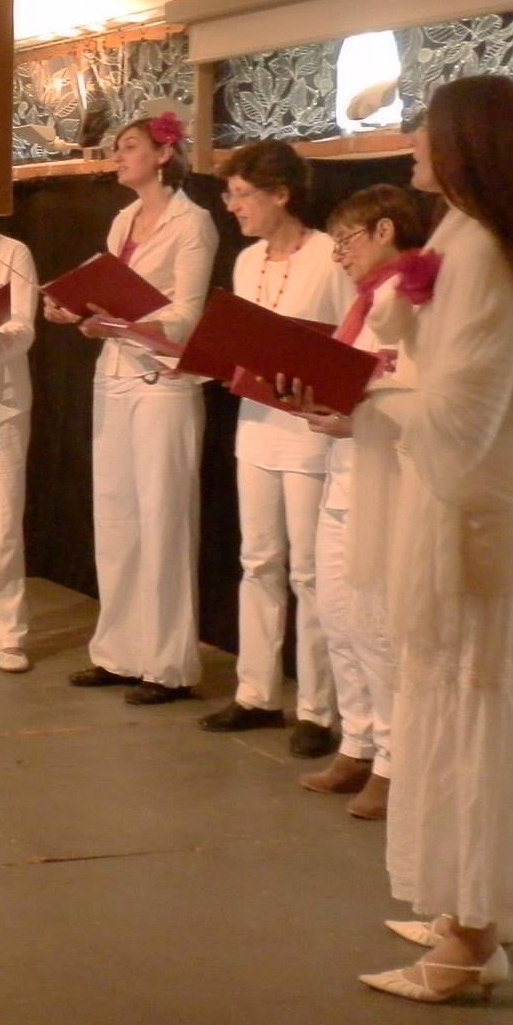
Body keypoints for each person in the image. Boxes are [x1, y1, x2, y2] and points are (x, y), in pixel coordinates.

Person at [354, 75, 513, 1003]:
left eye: (426, 133)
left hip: (484, 516)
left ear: (464, 146)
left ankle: (468, 941)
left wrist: (363, 391)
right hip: (473, 504)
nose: (412, 148)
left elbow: (460, 411)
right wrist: (394, 322)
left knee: (480, 713)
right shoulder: (464, 237)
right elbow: (434, 367)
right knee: (449, 707)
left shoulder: (490, 250)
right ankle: (461, 905)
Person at [46, 112, 218, 703]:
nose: (118, 156)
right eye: (118, 148)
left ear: (162, 155)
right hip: (115, 373)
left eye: (128, 147)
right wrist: (79, 312)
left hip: (163, 381)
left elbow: (189, 312)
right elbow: (109, 292)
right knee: (116, 515)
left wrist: (120, 319)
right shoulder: (122, 221)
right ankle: (118, 651)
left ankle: (168, 664)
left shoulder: (193, 223)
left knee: (164, 520)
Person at [197, 141, 353, 757]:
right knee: (258, 560)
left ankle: (317, 708)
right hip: (257, 424)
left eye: (241, 195)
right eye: (228, 196)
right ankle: (256, 692)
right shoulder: (245, 260)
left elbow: (349, 341)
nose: (232, 207)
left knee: (311, 573)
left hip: (309, 432)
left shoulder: (328, 258)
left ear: (280, 194)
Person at [292, 185, 429, 820]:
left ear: (383, 230)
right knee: (338, 614)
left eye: (345, 242)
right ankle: (358, 740)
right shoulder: (364, 302)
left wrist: (360, 420)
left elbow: (415, 392)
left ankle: (397, 762)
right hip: (345, 467)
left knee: (377, 626)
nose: (338, 256)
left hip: (387, 475)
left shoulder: (412, 297)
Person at [0, 224, 38, 673]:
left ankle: (7, 632)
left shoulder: (11, 251)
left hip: (1, 402)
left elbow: (23, 325)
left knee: (1, 519)